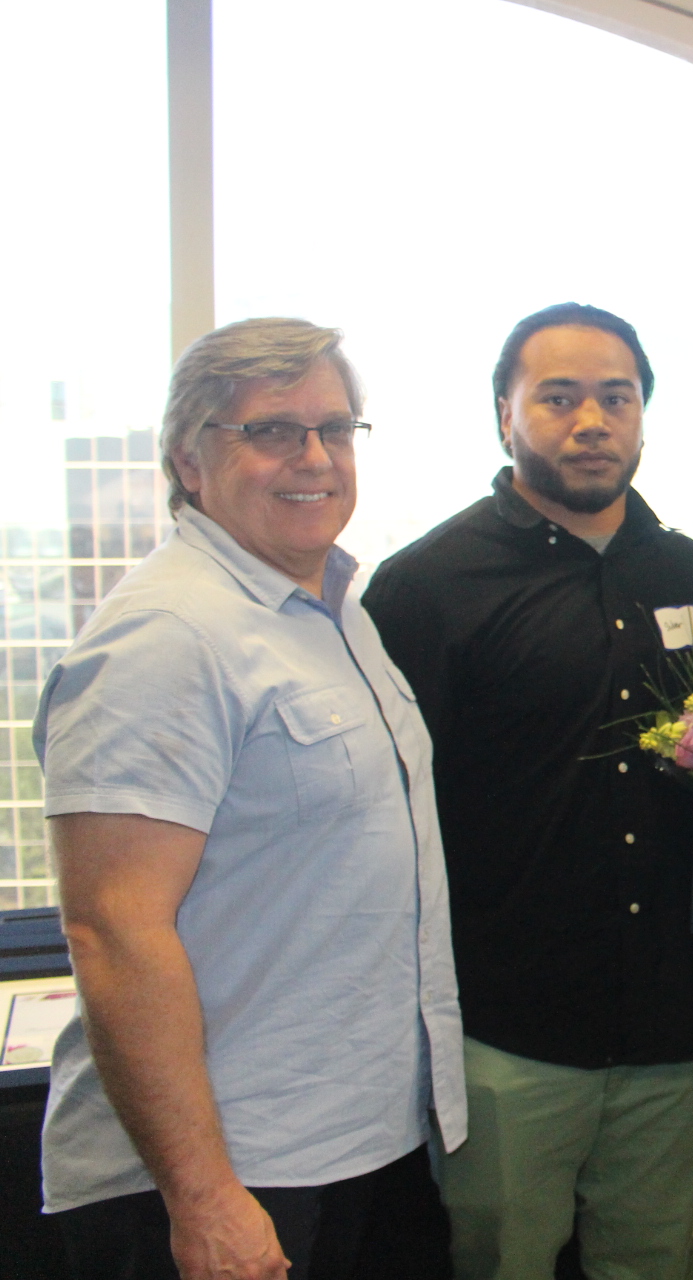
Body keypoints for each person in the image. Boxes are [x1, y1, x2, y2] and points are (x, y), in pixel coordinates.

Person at [35, 317, 464, 1280]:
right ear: (189, 461)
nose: (314, 456)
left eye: (335, 428)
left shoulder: (330, 611)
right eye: (270, 430)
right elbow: (113, 928)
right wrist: (203, 1197)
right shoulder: (166, 637)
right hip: (225, 1175)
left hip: (355, 1142)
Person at [361, 303, 693, 1280]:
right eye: (559, 398)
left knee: (648, 1263)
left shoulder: (681, 568)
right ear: (504, 415)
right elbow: (382, 823)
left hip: (674, 1029)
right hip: (507, 1038)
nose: (593, 421)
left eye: (617, 397)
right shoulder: (425, 586)